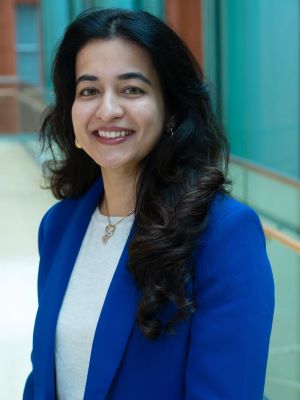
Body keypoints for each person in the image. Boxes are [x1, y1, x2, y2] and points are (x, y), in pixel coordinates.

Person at [23, 8, 274, 400]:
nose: (107, 110)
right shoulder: (58, 226)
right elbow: (43, 378)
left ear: (171, 110)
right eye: (89, 90)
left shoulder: (222, 234)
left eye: (132, 89)